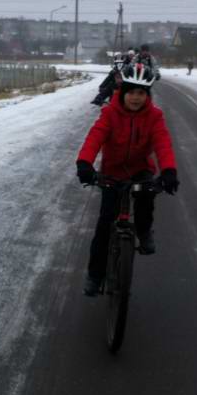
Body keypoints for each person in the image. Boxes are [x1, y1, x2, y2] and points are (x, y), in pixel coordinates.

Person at [76, 61, 179, 296]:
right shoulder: (110, 113)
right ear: (123, 92)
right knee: (105, 224)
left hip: (140, 168)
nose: (135, 98)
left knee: (146, 199)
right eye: (131, 92)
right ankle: (95, 275)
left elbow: (162, 143)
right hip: (112, 171)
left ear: (147, 94)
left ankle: (143, 231)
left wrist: (169, 171)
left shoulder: (154, 116)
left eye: (141, 93)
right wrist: (84, 163)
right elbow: (95, 137)